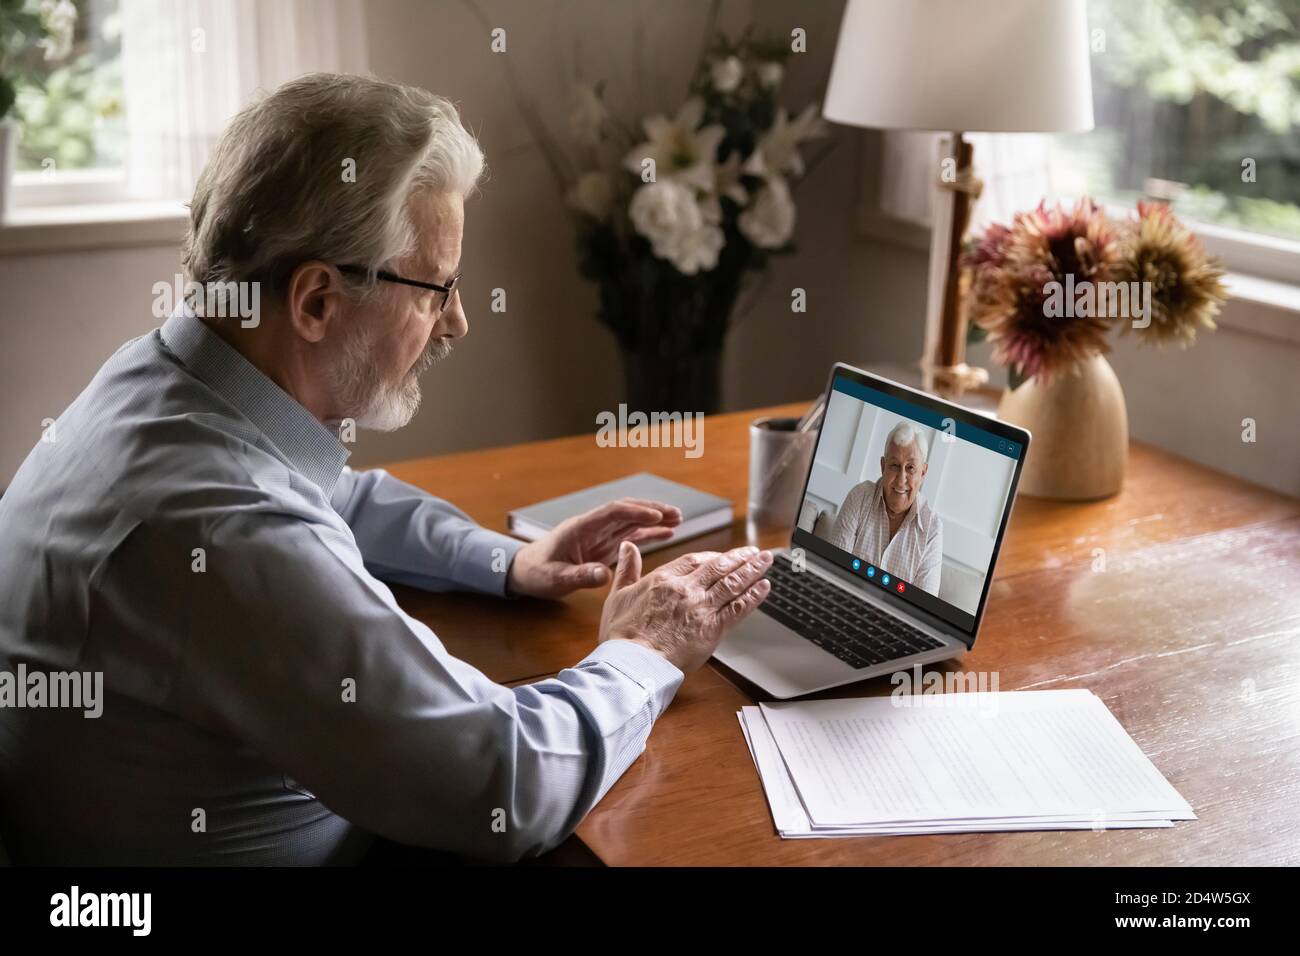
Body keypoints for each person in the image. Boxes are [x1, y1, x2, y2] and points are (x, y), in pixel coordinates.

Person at [0, 73, 772, 865]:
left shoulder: (161, 378)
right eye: (436, 289)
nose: (459, 323)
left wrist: (509, 561)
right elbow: (508, 786)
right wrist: (645, 649)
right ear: (316, 302)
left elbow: (335, 494)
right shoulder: (225, 528)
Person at [825, 420, 943, 594]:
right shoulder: (860, 497)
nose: (901, 479)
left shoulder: (932, 529)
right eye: (894, 465)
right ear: (883, 467)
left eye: (910, 468)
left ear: (923, 473)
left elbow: (923, 606)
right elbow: (832, 570)